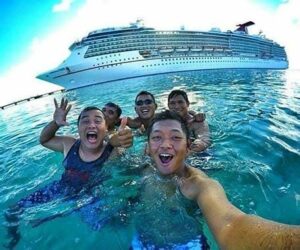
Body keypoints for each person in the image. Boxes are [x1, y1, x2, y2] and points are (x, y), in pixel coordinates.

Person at [146, 110, 300, 249]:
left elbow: (231, 225)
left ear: (188, 147)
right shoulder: (144, 168)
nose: (165, 145)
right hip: (144, 239)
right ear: (148, 147)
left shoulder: (199, 185)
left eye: (175, 137)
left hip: (187, 243)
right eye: (157, 137)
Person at [4, 98, 133, 249]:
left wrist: (122, 140)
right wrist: (55, 123)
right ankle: (13, 241)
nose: (91, 124)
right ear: (78, 128)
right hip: (60, 189)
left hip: (90, 197)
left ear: (106, 129)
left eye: (98, 121)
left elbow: (127, 160)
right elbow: (44, 140)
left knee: (113, 227)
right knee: (13, 210)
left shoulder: (112, 151)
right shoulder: (69, 144)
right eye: (85, 121)